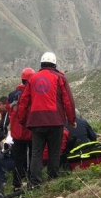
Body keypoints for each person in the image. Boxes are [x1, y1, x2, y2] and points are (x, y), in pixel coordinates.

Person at [18, 52, 76, 188]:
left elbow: (23, 101)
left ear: (41, 64)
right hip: (56, 121)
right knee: (54, 152)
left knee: (36, 153)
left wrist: (23, 120)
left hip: (36, 121)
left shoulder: (32, 79)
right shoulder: (60, 77)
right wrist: (71, 119)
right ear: (54, 63)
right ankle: (53, 179)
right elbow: (68, 101)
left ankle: (35, 182)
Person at [7, 67, 34, 191]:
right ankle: (30, 181)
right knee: (31, 156)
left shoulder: (12, 95)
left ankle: (16, 184)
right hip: (28, 131)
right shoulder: (30, 94)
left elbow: (9, 111)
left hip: (16, 133)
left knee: (17, 159)